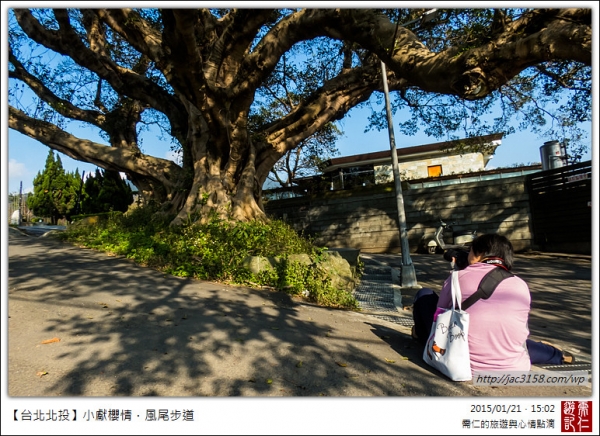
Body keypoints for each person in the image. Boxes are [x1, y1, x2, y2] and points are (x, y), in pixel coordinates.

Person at [412, 233, 573, 373]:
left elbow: (439, 318)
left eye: (471, 251)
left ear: (479, 253)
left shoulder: (457, 278)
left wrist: (456, 273)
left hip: (462, 365)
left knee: (424, 295)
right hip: (516, 368)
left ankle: (420, 335)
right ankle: (557, 355)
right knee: (504, 339)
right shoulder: (521, 284)